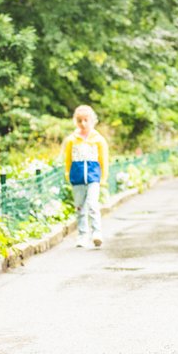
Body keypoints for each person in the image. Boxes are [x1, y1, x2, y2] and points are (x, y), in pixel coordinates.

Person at [62, 104, 109, 248]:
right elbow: (68, 159)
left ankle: (96, 233)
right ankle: (82, 235)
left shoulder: (98, 139)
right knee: (79, 207)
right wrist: (68, 174)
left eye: (86, 120)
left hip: (93, 176)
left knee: (93, 204)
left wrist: (103, 177)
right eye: (80, 120)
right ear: (75, 121)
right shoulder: (71, 140)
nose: (83, 123)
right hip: (77, 177)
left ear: (92, 120)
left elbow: (103, 159)